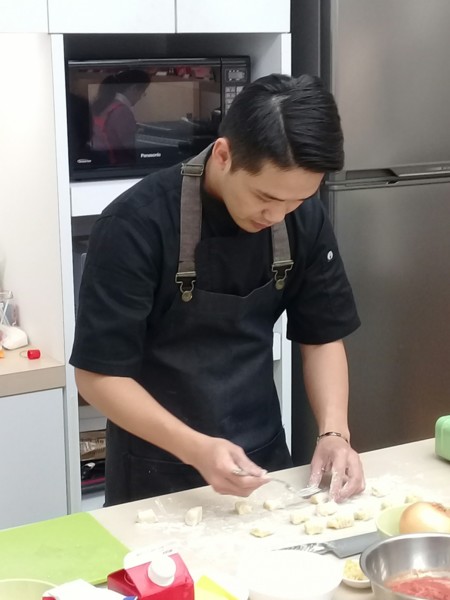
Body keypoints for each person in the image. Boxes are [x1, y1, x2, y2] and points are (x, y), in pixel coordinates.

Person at [71, 73, 366, 507]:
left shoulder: (300, 217)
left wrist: (334, 432)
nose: (277, 215)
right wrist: (196, 448)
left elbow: (322, 336)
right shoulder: (135, 225)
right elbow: (98, 376)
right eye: (266, 197)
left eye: (297, 201)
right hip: (155, 473)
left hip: (264, 460)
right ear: (224, 155)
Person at [91, 69, 151, 165]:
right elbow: (130, 147)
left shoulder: (105, 104)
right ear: (134, 88)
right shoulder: (122, 111)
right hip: (117, 164)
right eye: (142, 92)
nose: (140, 97)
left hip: (101, 161)